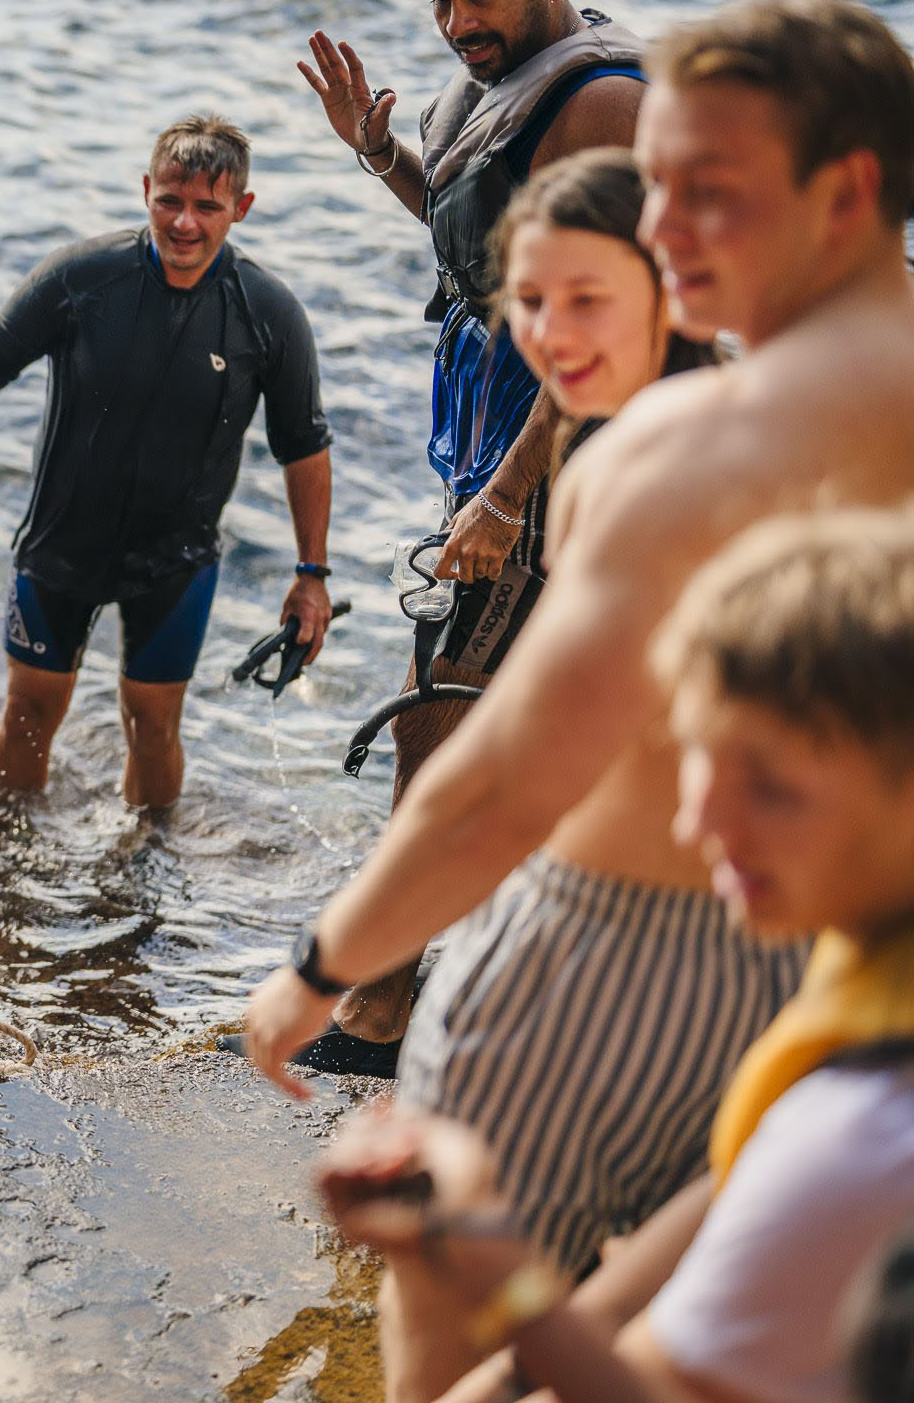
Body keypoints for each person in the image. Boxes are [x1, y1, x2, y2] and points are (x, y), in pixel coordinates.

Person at [244, 0, 914, 1401]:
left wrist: (315, 976)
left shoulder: (687, 447)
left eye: (701, 192)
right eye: (649, 180)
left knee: (452, 1352)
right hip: (833, 959)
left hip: (591, 962)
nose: (657, 229)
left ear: (844, 191)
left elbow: (504, 783)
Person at [318, 505, 914, 1403]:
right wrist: (486, 1252)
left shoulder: (864, 1139)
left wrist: (487, 1254)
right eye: (701, 763)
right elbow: (632, 1317)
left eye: (773, 786)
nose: (695, 824)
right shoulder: (853, 1007)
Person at [296, 0, 646, 1061]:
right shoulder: (501, 86)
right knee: (501, 717)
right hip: (496, 437)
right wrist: (379, 151)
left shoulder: (600, 107)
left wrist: (505, 496)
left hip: (553, 453)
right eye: (441, 0)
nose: (456, 24)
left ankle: (384, 1002)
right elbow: (482, 249)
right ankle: (513, 982)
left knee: (437, 711)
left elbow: (602, 324)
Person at [0, 115, 334, 811]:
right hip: (60, 545)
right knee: (28, 713)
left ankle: (143, 891)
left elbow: (303, 446)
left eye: (207, 206)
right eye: (169, 200)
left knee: (153, 726)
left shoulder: (266, 313)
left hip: (175, 562)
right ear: (145, 189)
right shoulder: (80, 279)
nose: (184, 223)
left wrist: (310, 574)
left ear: (242, 208)